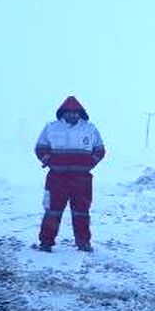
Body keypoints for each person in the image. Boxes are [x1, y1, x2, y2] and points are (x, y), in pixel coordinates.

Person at [34, 96, 106, 252]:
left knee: (81, 212)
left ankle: (83, 243)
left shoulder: (90, 129)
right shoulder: (51, 128)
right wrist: (51, 162)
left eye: (75, 112)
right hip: (56, 179)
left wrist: (89, 164)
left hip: (82, 180)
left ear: (80, 113)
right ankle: (46, 243)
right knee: (52, 211)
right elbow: (40, 148)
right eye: (68, 112)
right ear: (62, 113)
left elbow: (100, 150)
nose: (72, 115)